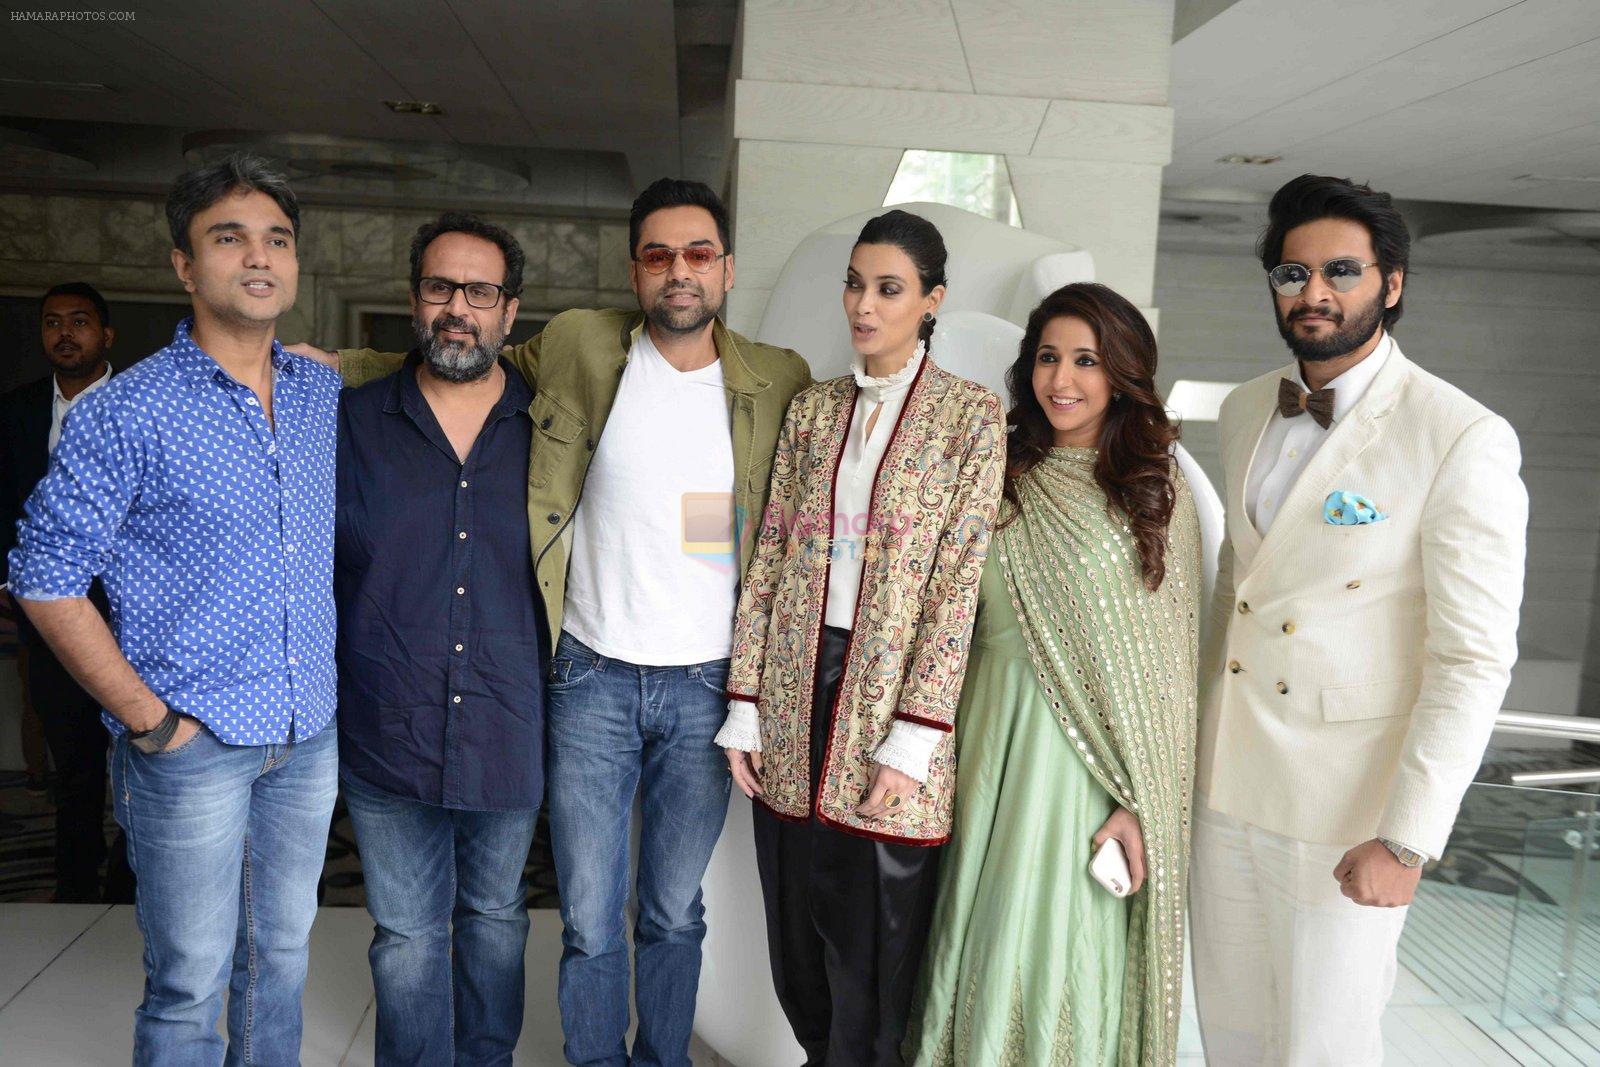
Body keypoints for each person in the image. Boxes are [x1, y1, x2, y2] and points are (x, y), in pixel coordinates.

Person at [307, 178, 812, 1067]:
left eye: (698, 254)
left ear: (727, 269)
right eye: (659, 255)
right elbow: (454, 359)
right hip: (588, 677)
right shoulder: (582, 345)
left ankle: (661, 1057)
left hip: (707, 682)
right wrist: (337, 366)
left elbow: (799, 530)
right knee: (584, 912)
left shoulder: (779, 380)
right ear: (635, 270)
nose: (679, 272)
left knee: (670, 907)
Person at [8, 154, 341, 1065]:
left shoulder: (320, 392)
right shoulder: (126, 412)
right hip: (189, 746)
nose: (258, 257)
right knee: (190, 977)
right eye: (228, 238)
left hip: (308, 733)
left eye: (276, 239)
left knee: (281, 958)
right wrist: (149, 722)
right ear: (185, 267)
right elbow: (43, 575)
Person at [1190, 173, 1528, 1066]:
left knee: (1324, 1046)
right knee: (1230, 1032)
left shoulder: (1459, 434)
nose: (1315, 293)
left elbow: (1473, 656)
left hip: (1346, 805)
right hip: (1225, 786)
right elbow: (1236, 595)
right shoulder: (1243, 408)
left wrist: (1408, 836)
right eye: (1291, 274)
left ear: (1393, 281)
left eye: (1341, 270)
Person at [717, 209, 1005, 1065]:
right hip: (797, 689)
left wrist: (913, 738)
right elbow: (770, 554)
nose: (863, 304)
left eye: (888, 288)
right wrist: (746, 705)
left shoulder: (970, 417)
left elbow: (959, 588)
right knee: (797, 946)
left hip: (893, 713)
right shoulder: (813, 410)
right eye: (855, 282)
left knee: (874, 960)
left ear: (932, 300)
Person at [905, 282, 1201, 1065]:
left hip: (1081, 771)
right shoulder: (996, 469)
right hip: (980, 738)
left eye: (1086, 361)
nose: (1060, 380)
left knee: (1048, 945)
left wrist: (1139, 801)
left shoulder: (1154, 493)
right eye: (1047, 357)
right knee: (967, 931)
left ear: (1123, 373)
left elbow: (1167, 679)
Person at [335, 212, 547, 1063]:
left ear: (511, 312)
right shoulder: (348, 422)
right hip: (387, 720)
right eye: (440, 287)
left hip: (510, 719)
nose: (459, 307)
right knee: (407, 932)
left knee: (496, 919)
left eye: (480, 291)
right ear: (414, 300)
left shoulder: (554, 432)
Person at [0, 282, 133, 902]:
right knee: (72, 760)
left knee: (139, 757)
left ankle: (129, 885)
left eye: (79, 321)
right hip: (50, 617)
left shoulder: (144, 403)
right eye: (53, 323)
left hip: (135, 617)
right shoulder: (17, 411)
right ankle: (75, 888)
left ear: (105, 335)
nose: (65, 333)